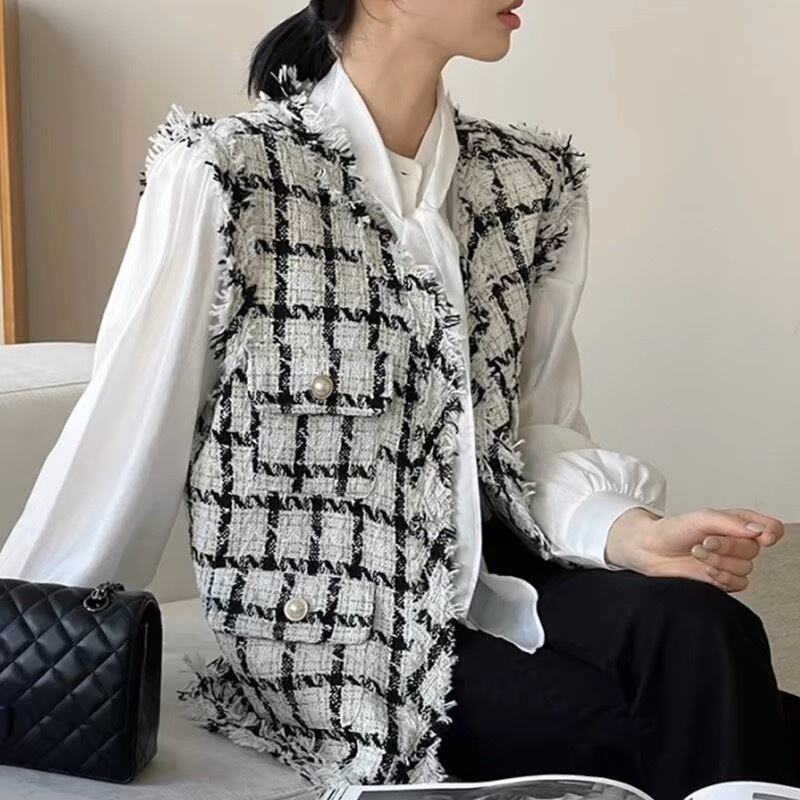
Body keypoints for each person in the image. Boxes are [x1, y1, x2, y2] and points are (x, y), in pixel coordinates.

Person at [0, 1, 797, 798]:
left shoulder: (527, 184)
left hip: (495, 567)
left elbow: (533, 430)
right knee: (666, 722)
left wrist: (629, 532)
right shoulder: (229, 175)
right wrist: (18, 646)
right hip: (332, 635)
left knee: (711, 628)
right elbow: (125, 439)